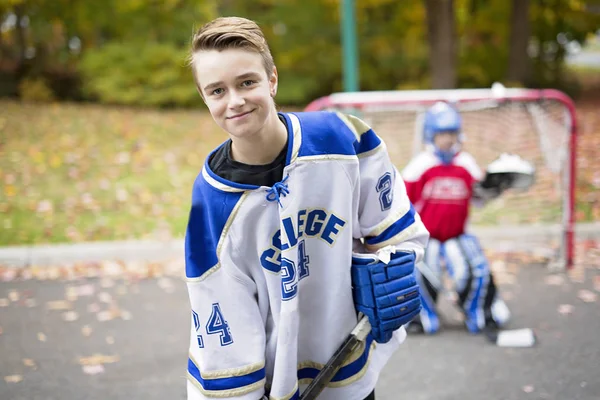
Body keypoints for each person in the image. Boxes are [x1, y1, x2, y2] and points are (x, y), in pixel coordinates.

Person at [184, 16, 429, 400]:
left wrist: (390, 264)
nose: (235, 100)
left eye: (247, 82)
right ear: (205, 98)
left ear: (272, 80)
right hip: (273, 386)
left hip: (350, 371)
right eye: (217, 90)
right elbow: (219, 311)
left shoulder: (339, 138)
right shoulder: (210, 202)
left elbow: (396, 230)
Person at [401, 101, 511, 335]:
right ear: (430, 135)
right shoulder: (421, 165)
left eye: (452, 133)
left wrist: (496, 186)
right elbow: (403, 201)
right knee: (418, 273)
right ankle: (419, 318)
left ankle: (483, 313)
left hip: (457, 234)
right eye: (442, 134)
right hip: (426, 236)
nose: (448, 139)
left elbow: (479, 197)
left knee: (475, 270)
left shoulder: (465, 163)